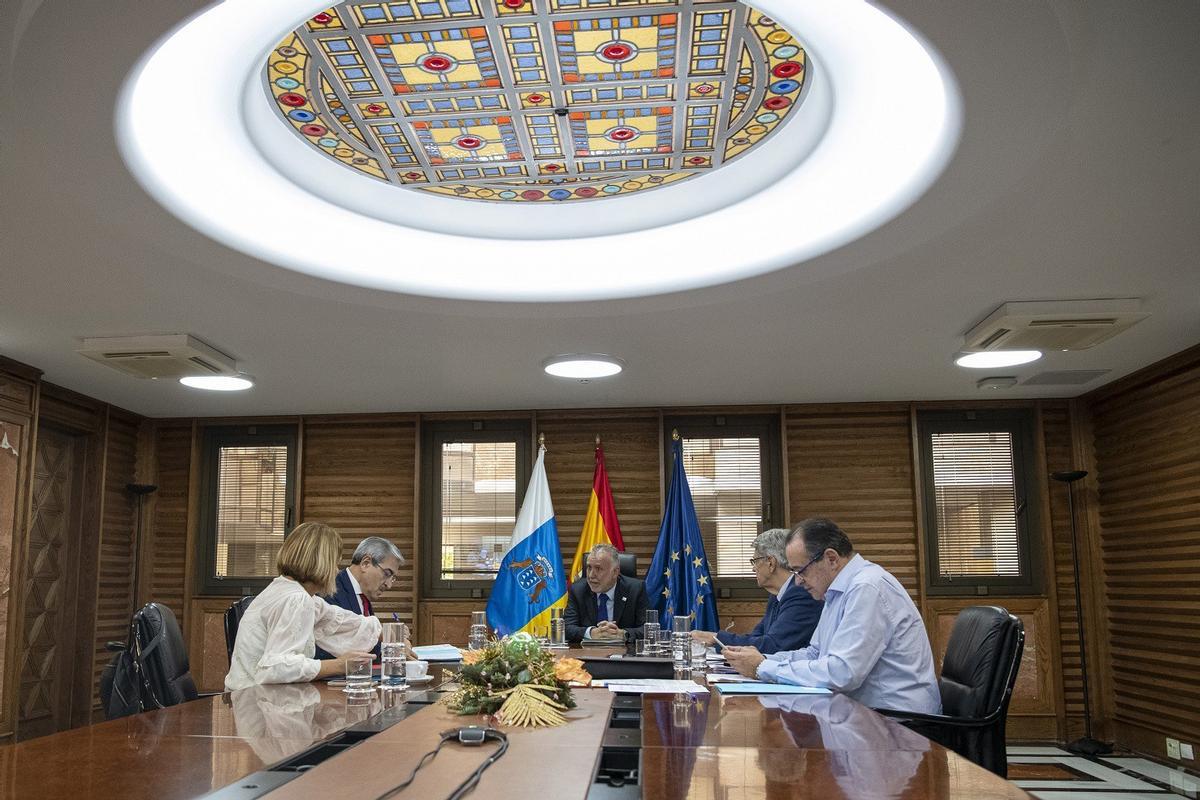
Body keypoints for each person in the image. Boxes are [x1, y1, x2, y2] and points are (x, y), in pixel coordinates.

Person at [723, 518, 941, 714]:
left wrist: (763, 668)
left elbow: (842, 673)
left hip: (900, 723)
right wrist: (763, 659)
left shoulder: (867, 588)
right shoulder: (834, 591)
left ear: (831, 558)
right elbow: (815, 653)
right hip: (862, 715)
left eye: (800, 571)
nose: (797, 581)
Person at [225, 522, 380, 691]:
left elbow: (339, 620)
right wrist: (340, 665)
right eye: (335, 563)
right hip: (257, 700)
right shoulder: (297, 598)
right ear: (322, 563)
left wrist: (385, 633)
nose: (336, 571)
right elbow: (275, 668)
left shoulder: (286, 590)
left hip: (243, 697)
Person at [690, 528, 822, 654]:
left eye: (755, 561)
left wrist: (716, 638)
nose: (753, 569)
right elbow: (756, 638)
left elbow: (773, 645)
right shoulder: (777, 594)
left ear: (771, 563)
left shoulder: (801, 593)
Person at [316, 536, 405, 660]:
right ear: (365, 563)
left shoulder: (363, 596)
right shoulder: (330, 589)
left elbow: (371, 647)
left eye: (393, 578)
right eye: (387, 574)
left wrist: (394, 642)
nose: (389, 585)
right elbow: (329, 648)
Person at [564, 543, 647, 643]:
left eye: (598, 569)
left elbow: (648, 629)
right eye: (589, 567)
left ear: (615, 572)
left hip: (625, 651)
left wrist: (623, 634)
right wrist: (591, 633)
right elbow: (566, 627)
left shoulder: (635, 589)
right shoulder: (578, 590)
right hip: (587, 651)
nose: (591, 575)